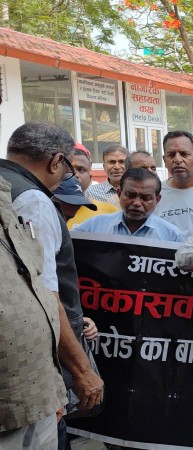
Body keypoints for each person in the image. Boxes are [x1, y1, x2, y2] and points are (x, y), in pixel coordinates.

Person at [0, 122, 104, 446]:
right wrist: (81, 371)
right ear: (57, 161)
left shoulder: (6, 185)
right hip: (31, 374)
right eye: (69, 168)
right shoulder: (34, 200)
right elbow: (45, 294)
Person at [0, 174, 65, 450]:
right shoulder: (31, 199)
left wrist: (52, 388)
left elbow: (38, 288)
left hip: (38, 397)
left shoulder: (6, 198)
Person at [74, 168, 184, 242]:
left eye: (145, 198)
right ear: (119, 194)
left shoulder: (172, 236)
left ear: (157, 200)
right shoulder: (94, 226)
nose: (136, 203)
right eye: (130, 195)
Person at [66, 144, 118, 229]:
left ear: (90, 179)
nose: (75, 175)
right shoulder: (45, 208)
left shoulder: (110, 212)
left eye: (81, 170)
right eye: (68, 169)